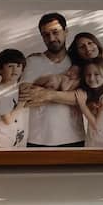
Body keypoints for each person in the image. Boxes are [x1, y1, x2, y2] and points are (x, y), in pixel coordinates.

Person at [19, 12, 85, 148]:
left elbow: (85, 97)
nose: (51, 38)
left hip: (74, 137)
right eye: (46, 34)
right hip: (38, 139)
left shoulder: (78, 62)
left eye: (55, 32)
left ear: (66, 31)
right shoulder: (32, 61)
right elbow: (25, 97)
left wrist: (48, 94)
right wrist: (67, 95)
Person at [0, 48, 28, 149]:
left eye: (18, 66)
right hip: (1, 143)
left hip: (14, 142)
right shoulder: (0, 91)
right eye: (10, 66)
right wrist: (21, 103)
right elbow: (8, 120)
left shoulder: (16, 87)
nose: (15, 70)